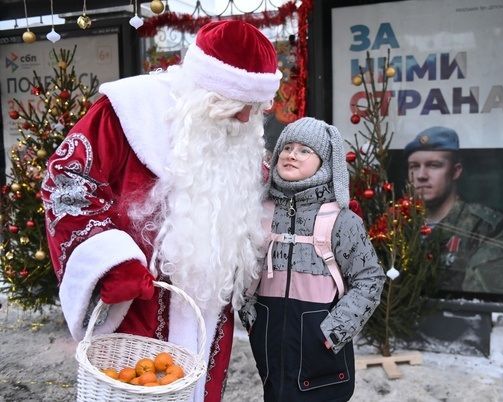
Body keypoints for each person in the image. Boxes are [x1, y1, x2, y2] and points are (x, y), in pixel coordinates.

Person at [41, 20, 282, 401]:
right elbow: (67, 182)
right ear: (202, 90)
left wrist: (319, 212)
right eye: (235, 105)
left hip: (207, 313)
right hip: (137, 303)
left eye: (254, 108)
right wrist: (109, 260)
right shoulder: (128, 111)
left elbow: (262, 197)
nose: (243, 119)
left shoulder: (240, 135)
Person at [239, 117, 386, 402]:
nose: (292, 154)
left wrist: (333, 331)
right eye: (287, 147)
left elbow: (370, 279)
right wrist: (250, 316)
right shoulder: (260, 213)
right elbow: (242, 267)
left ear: (325, 162)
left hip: (323, 348)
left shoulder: (341, 220)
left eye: (305, 150)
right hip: (270, 344)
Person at [404, 126, 503, 295]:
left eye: (434, 165)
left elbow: (487, 299)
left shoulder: (485, 227)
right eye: (414, 166)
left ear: (455, 171)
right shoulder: (397, 225)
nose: (421, 175)